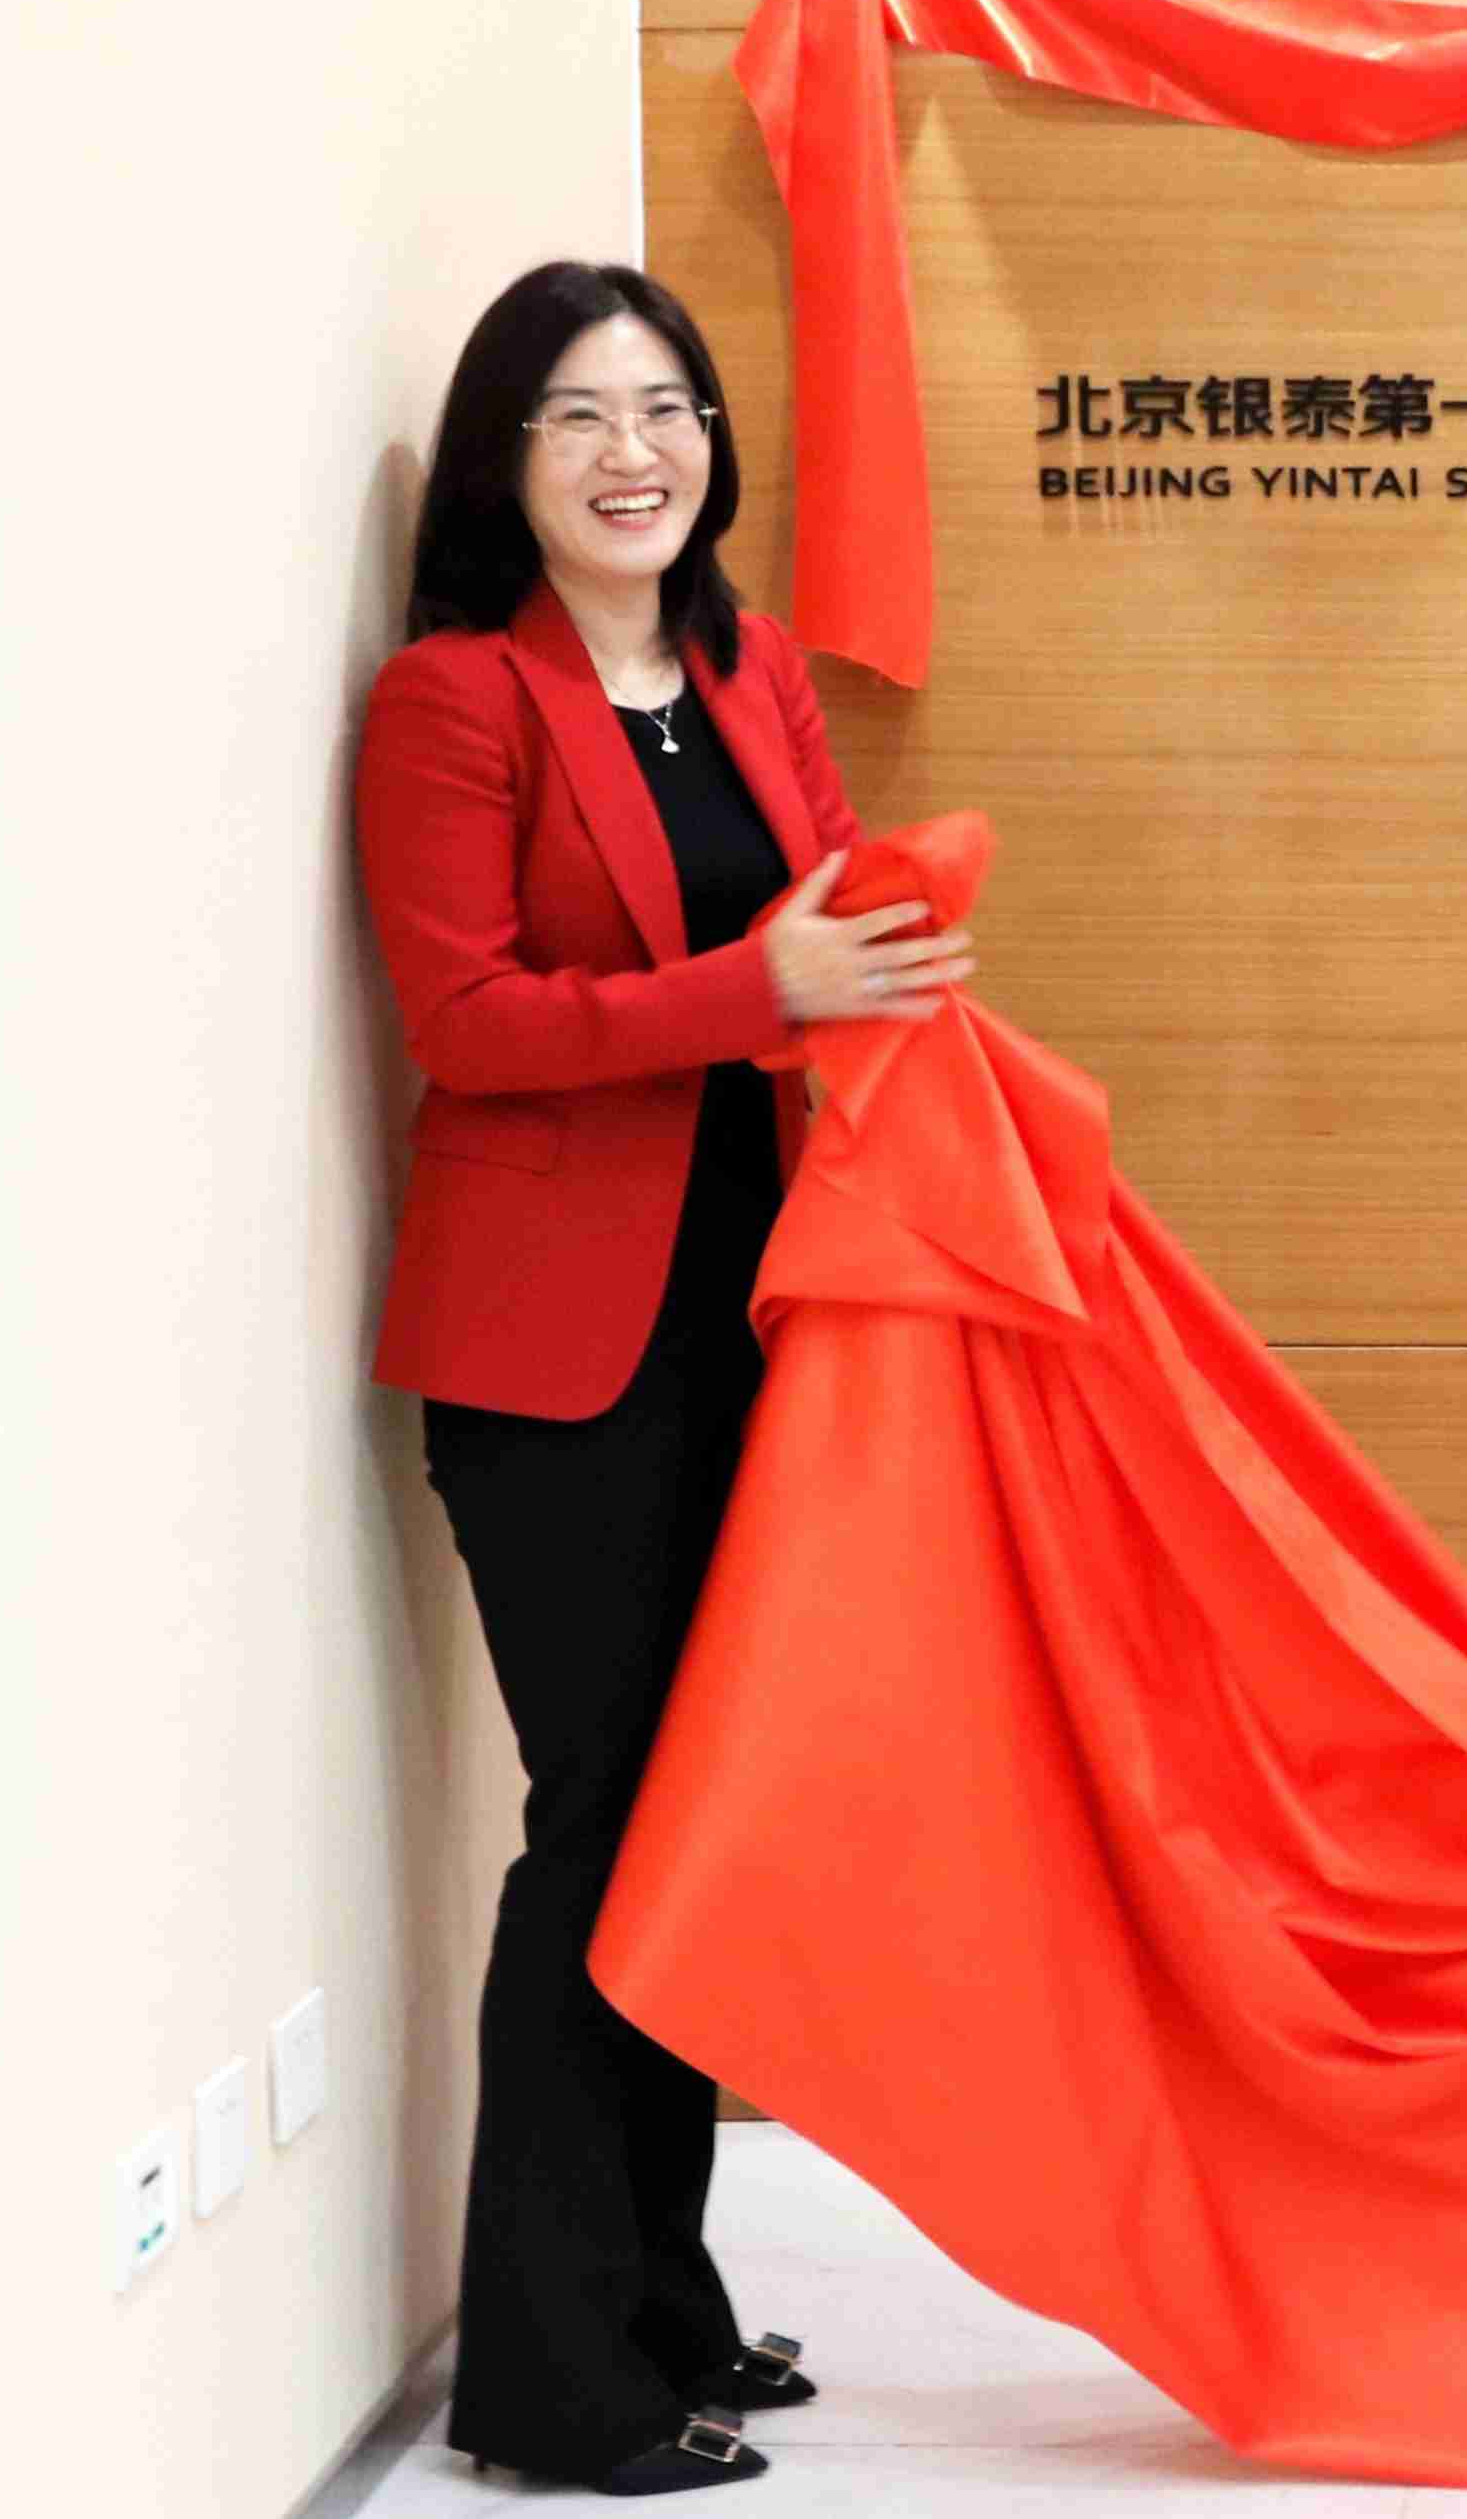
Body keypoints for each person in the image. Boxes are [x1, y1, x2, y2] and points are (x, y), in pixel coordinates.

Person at [357, 261, 973, 2495]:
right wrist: (760, 986)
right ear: (506, 460)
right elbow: (470, 1019)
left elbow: (828, 931)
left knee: (698, 1830)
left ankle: (663, 2303)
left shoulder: (748, 665)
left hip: (752, 1323)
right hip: (553, 1358)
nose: (638, 452)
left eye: (672, 408)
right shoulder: (456, 700)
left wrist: (888, 962)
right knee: (600, 1827)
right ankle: (552, 2381)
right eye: (582, 416)